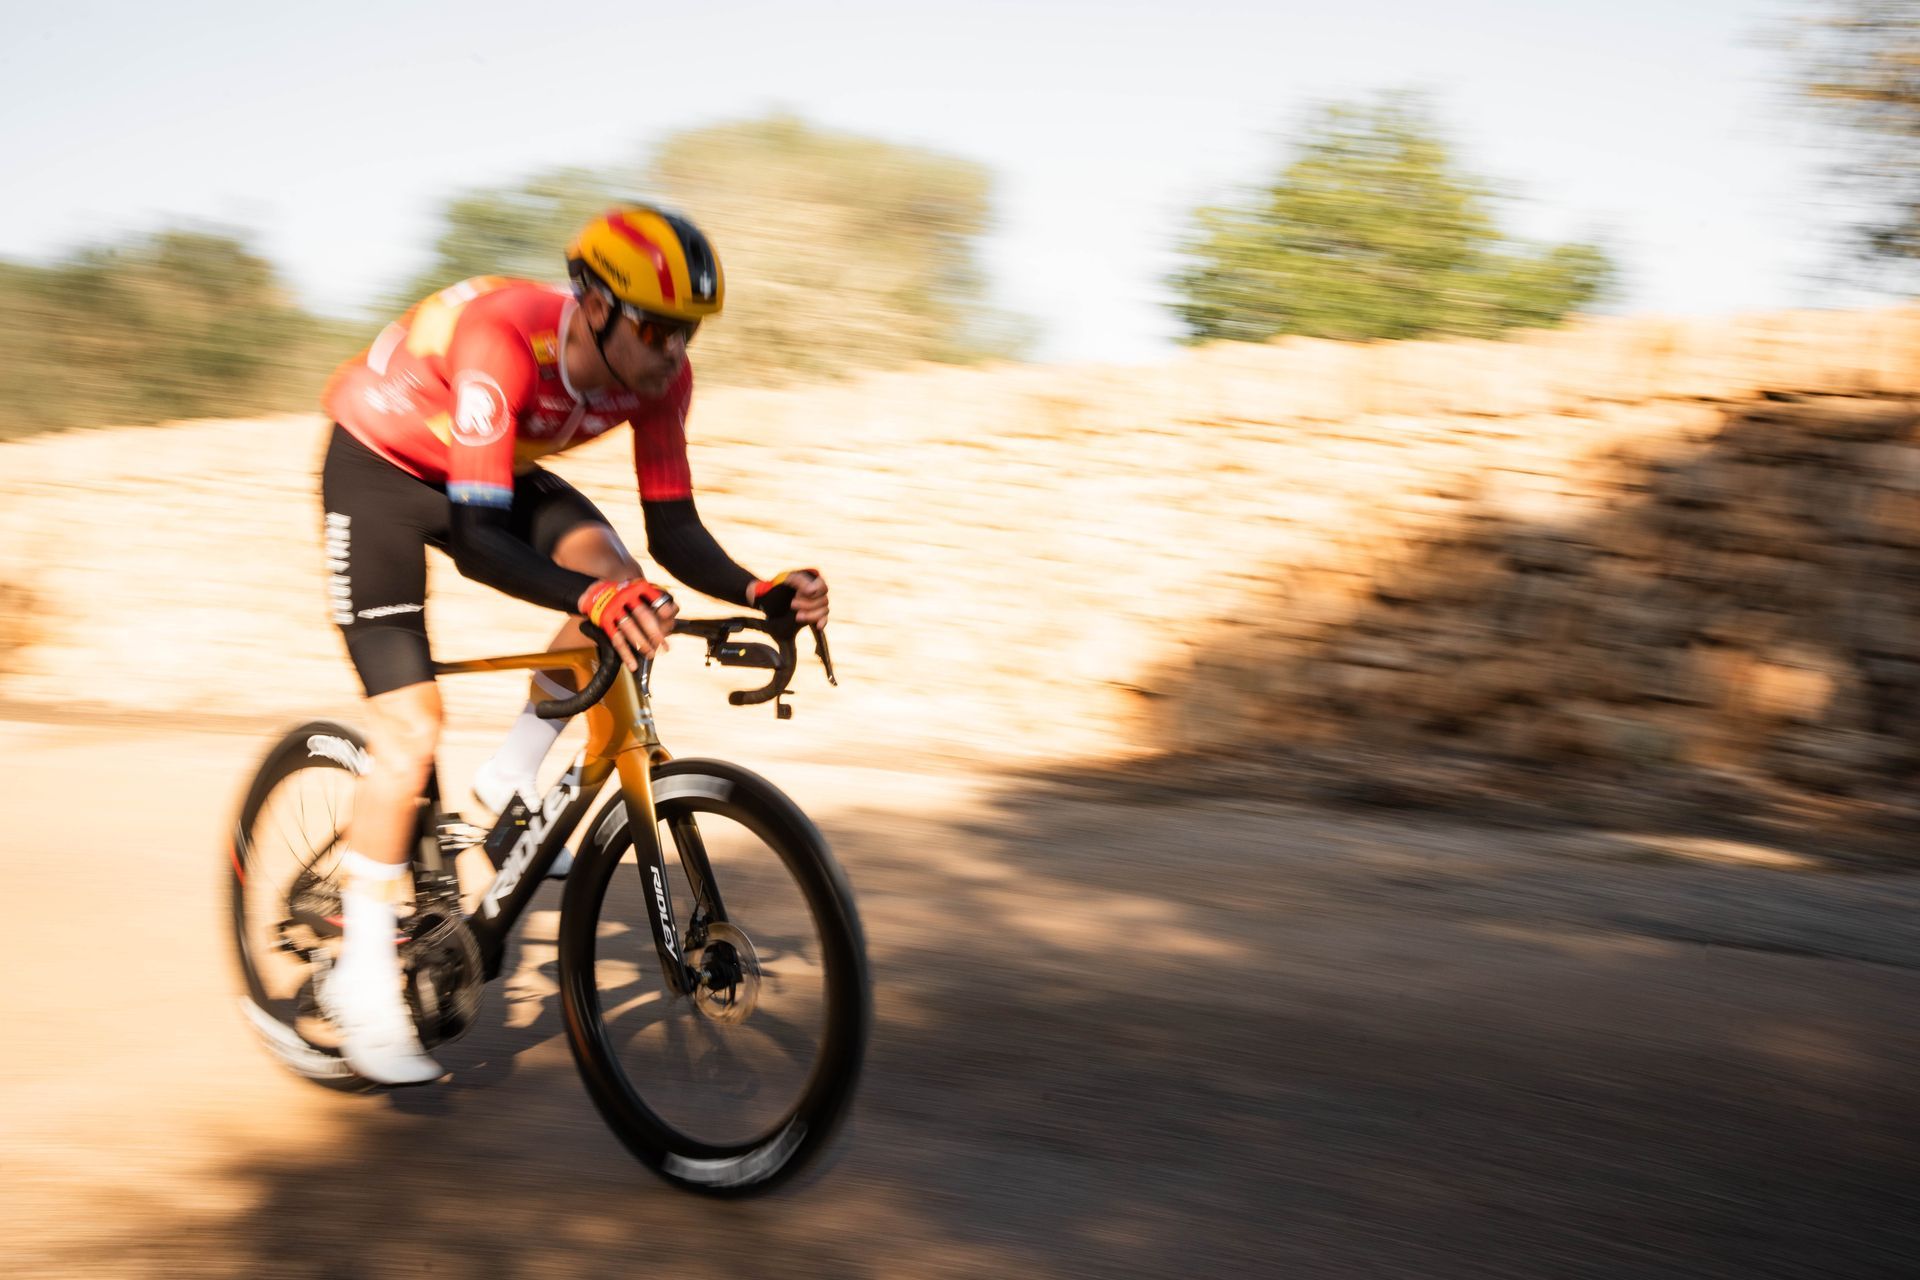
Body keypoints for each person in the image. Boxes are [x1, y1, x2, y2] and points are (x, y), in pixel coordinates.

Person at [316, 204, 828, 1084]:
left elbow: (672, 530)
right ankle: (362, 976)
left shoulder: (664, 378)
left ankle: (512, 774)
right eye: (657, 328)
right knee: (410, 729)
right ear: (594, 304)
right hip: (383, 472)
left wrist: (758, 589)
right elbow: (480, 543)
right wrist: (593, 598)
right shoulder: (505, 339)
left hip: (487, 469)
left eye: (688, 332)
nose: (674, 350)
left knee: (628, 575)